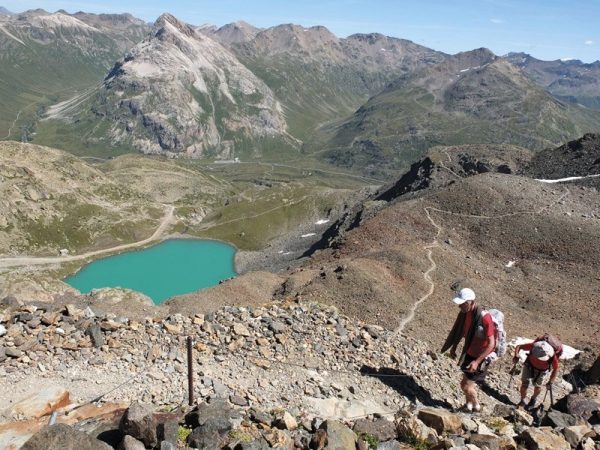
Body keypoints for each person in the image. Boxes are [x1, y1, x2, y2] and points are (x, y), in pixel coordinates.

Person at [441, 288, 496, 412]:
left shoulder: (485, 317)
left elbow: (491, 344)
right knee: (467, 384)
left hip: (481, 357)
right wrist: (454, 347)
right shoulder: (465, 314)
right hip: (470, 353)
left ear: (471, 302)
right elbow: (462, 331)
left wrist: (477, 362)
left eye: (463, 303)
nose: (460, 306)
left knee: (465, 385)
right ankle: (468, 406)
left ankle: (476, 406)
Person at [513, 338, 559, 409]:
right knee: (524, 384)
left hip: (542, 370)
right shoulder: (534, 346)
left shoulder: (552, 355)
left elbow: (556, 369)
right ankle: (522, 401)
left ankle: (533, 399)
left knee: (538, 387)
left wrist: (551, 381)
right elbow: (519, 346)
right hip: (529, 365)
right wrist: (516, 355)